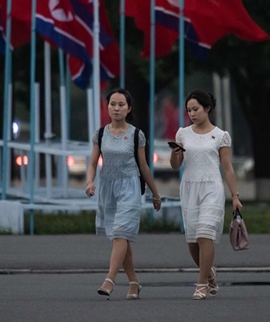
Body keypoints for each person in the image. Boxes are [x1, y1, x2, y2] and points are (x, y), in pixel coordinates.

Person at [85, 88, 162, 300]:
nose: (116, 108)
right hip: (107, 188)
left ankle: (109, 279)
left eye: (121, 104)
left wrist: (155, 193)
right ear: (107, 106)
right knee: (121, 238)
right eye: (112, 104)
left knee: (120, 233)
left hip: (130, 188)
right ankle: (134, 282)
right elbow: (93, 163)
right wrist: (90, 181)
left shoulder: (137, 134)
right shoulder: (100, 134)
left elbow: (144, 165)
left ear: (129, 108)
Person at [170, 90, 242, 300]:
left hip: (212, 188)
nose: (192, 114)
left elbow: (227, 168)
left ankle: (201, 284)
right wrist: (176, 155)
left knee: (205, 234)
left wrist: (235, 195)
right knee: (192, 242)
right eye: (189, 110)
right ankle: (209, 272)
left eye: (196, 109)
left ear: (207, 108)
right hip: (190, 188)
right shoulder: (183, 133)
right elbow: (175, 166)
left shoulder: (220, 135)